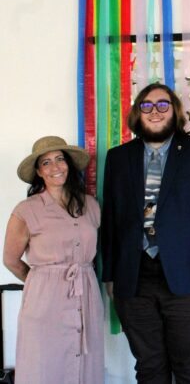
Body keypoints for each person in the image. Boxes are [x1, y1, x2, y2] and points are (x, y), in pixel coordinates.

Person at [101, 82, 190, 383]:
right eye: (147, 105)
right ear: (137, 113)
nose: (155, 112)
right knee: (149, 365)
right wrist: (110, 273)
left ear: (175, 112)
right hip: (134, 278)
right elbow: (110, 218)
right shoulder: (118, 158)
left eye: (162, 105)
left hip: (189, 278)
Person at [3, 136, 103, 384]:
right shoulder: (26, 210)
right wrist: (42, 281)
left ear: (68, 164)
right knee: (44, 363)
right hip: (45, 300)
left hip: (86, 290)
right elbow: (10, 259)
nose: (55, 167)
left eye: (60, 159)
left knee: (84, 360)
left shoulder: (91, 205)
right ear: (38, 171)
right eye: (46, 162)